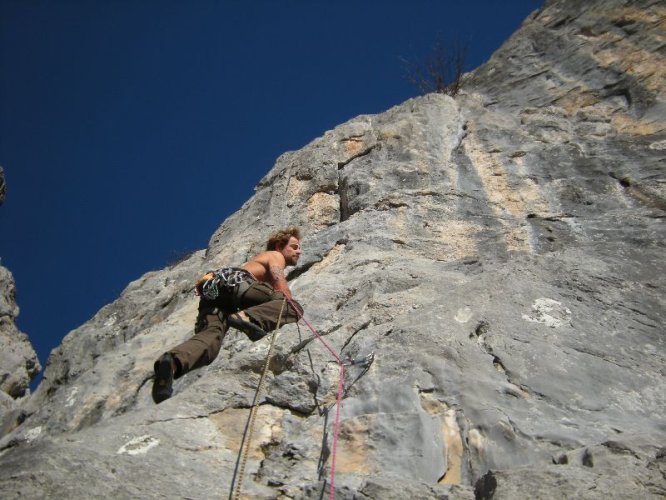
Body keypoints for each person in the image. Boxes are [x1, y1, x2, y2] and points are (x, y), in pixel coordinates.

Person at [152, 227, 304, 404]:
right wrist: (285, 296)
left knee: (209, 340)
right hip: (238, 284)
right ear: (279, 245)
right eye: (294, 246)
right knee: (293, 308)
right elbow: (277, 275)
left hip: (215, 291)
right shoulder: (274, 254)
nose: (298, 251)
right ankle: (248, 317)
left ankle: (172, 362)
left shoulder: (255, 262)